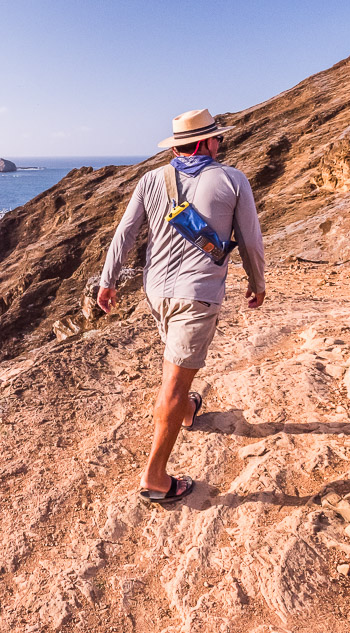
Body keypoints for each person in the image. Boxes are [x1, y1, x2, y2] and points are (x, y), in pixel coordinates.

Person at [97, 109, 266, 504]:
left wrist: (108, 280)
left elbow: (126, 232)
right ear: (208, 142)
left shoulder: (150, 179)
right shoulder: (231, 179)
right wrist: (258, 283)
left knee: (176, 365)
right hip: (197, 293)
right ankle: (156, 477)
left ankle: (188, 410)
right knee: (172, 384)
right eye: (218, 139)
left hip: (155, 290)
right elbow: (251, 241)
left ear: (175, 146)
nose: (221, 145)